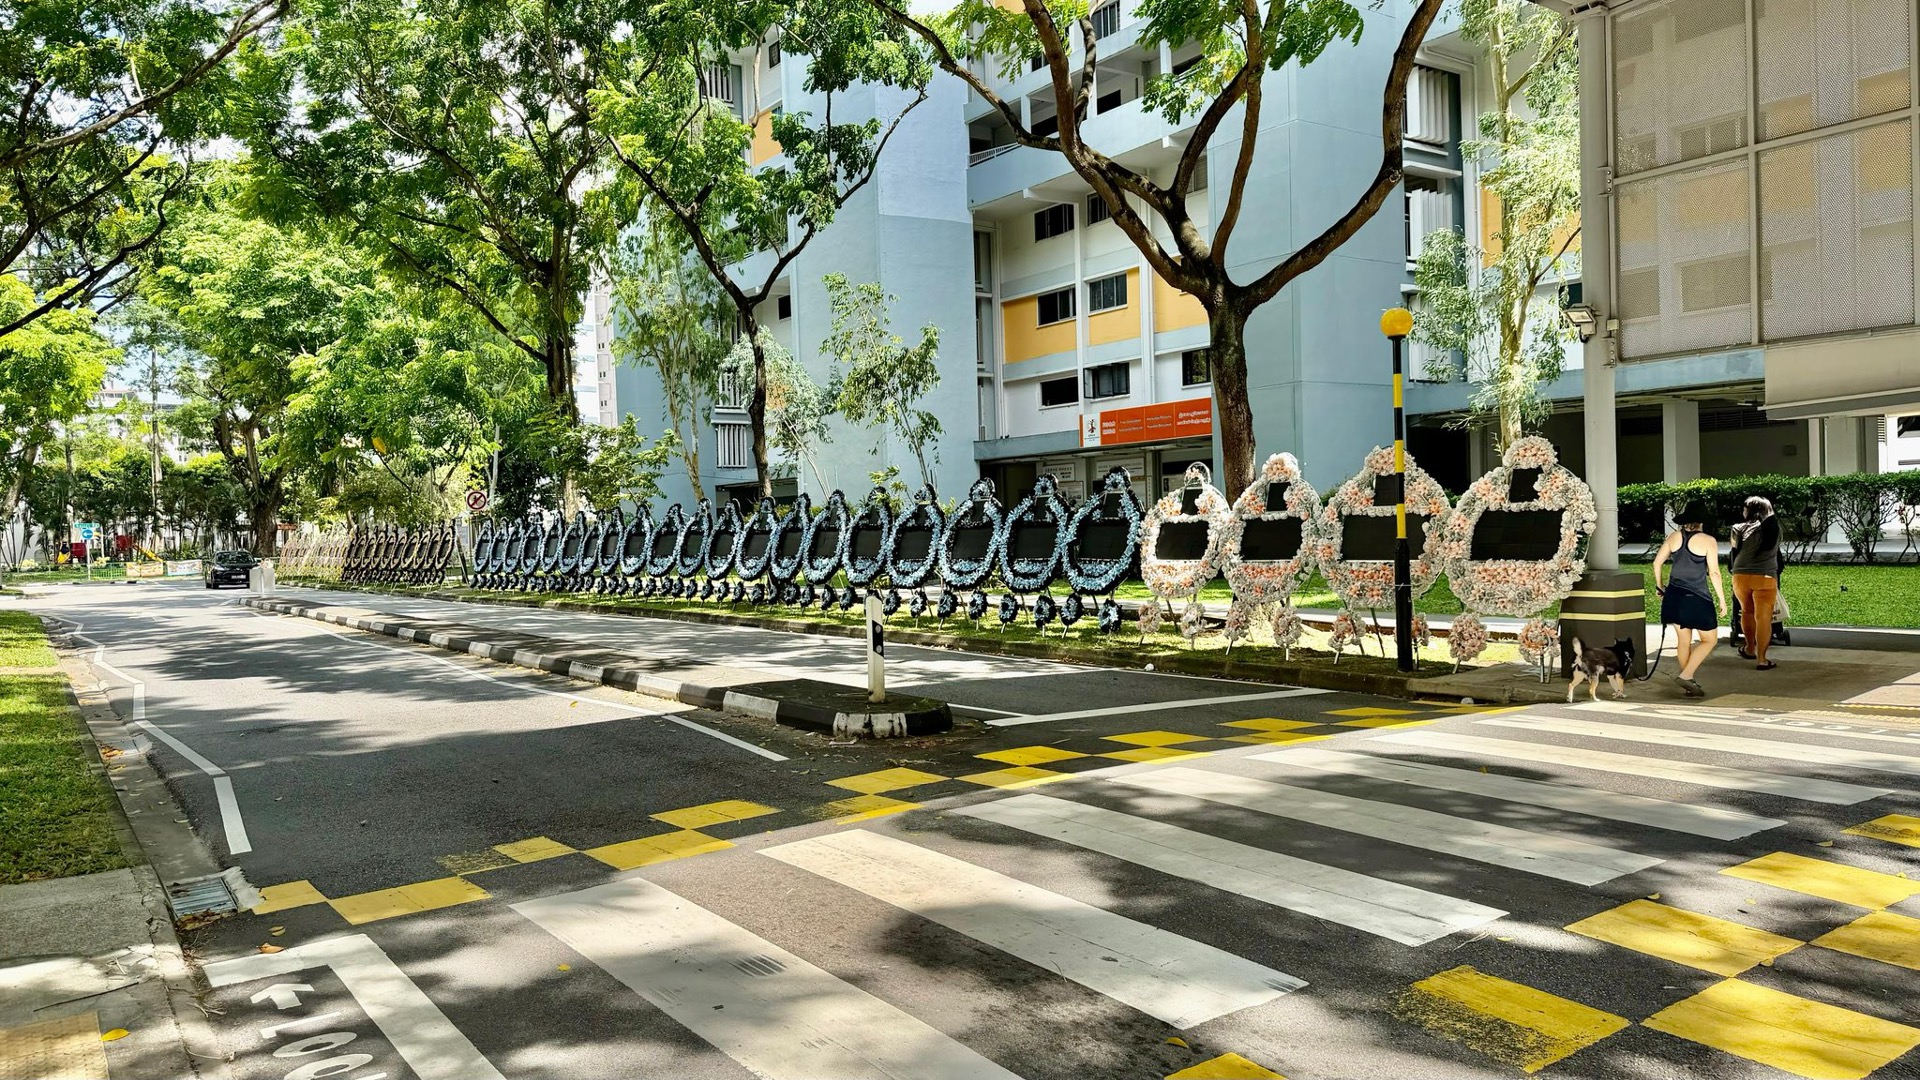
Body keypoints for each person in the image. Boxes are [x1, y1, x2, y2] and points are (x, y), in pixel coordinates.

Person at [1651, 501, 1728, 697]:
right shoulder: (1708, 540)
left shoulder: (1674, 537)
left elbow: (1657, 563)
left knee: (1683, 641)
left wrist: (1660, 586)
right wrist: (1722, 599)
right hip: (1697, 598)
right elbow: (1714, 573)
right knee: (1709, 640)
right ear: (1702, 521)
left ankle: (1689, 681)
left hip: (1673, 596)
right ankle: (1686, 676)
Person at [1729, 495, 1783, 670]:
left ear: (1749, 511)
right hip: (1765, 577)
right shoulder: (1774, 529)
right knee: (1763, 618)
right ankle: (1762, 659)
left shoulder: (1737, 528)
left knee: (1747, 611)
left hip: (1741, 575)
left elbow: (1734, 552)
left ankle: (1750, 649)